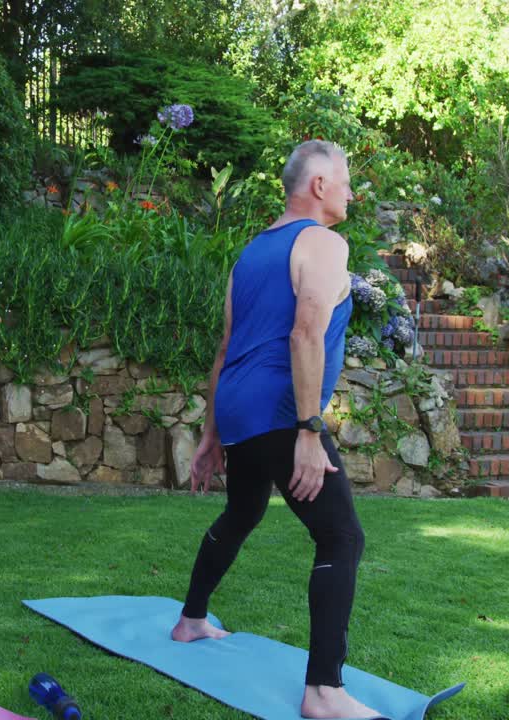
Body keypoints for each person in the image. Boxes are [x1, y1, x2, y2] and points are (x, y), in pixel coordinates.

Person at [171, 140, 378, 719]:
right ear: (317, 186)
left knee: (243, 513)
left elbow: (226, 347)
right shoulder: (323, 242)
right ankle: (323, 692)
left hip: (241, 410)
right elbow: (305, 335)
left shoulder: (252, 253)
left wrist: (213, 432)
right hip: (282, 413)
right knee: (342, 537)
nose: (351, 192)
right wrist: (309, 432)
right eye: (345, 181)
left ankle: (191, 620)